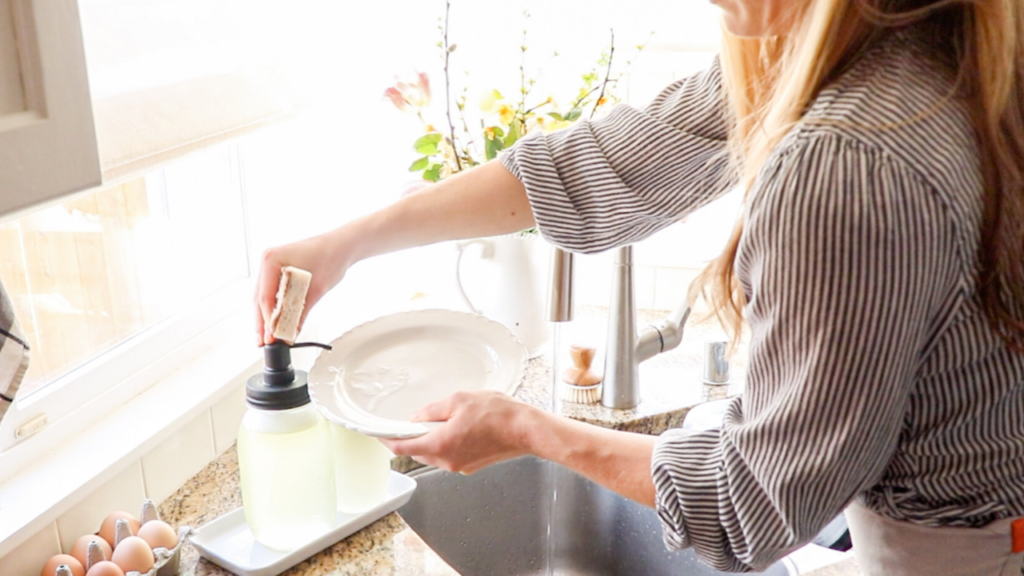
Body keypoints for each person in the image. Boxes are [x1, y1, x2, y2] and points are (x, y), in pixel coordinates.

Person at [255, 0, 1024, 573]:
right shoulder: (919, 46)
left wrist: (529, 431)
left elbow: (747, 507)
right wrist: (349, 242)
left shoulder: (849, 161)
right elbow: (602, 167)